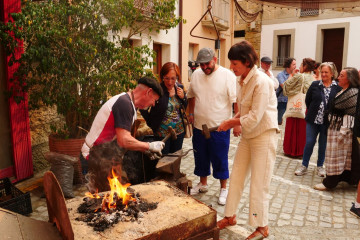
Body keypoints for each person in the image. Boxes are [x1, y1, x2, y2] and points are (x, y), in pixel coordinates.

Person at [216, 41, 278, 240]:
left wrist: (230, 122)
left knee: (259, 185)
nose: (232, 67)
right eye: (231, 63)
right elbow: (243, 109)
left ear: (247, 62)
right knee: (236, 178)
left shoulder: (262, 81)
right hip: (248, 136)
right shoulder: (241, 78)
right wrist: (236, 121)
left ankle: (262, 227)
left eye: (235, 63)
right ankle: (230, 216)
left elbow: (255, 117)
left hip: (264, 136)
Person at [80, 77, 165, 188]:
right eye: (155, 100)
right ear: (148, 92)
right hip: (94, 156)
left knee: (117, 196)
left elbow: (123, 138)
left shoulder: (129, 103)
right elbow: (124, 140)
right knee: (105, 199)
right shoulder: (124, 104)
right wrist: (149, 146)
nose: (154, 104)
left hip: (105, 155)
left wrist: (144, 149)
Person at [187, 47, 236, 205]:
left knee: (220, 158)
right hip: (199, 126)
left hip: (219, 127)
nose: (204, 67)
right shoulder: (196, 74)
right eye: (201, 64)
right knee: (200, 156)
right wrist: (190, 113)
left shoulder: (227, 75)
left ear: (215, 59)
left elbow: (236, 101)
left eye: (207, 64)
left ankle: (223, 188)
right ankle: (203, 183)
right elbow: (191, 96)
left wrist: (236, 123)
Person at [313, 67, 360, 190]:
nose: (338, 77)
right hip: (336, 128)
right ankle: (342, 178)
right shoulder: (343, 90)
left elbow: (350, 113)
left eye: (342, 76)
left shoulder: (353, 93)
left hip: (343, 131)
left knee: (337, 157)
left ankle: (330, 182)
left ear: (349, 79)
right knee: (338, 156)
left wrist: (343, 131)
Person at [294, 62, 341, 177]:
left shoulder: (337, 88)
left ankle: (320, 166)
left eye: (326, 72)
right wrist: (314, 110)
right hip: (313, 120)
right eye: (322, 72)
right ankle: (304, 165)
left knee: (323, 144)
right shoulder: (315, 85)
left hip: (327, 122)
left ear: (332, 74)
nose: (323, 74)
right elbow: (308, 101)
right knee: (309, 142)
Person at [140, 62, 187, 154]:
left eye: (173, 78)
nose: (170, 82)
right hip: (161, 133)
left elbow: (184, 107)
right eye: (167, 78)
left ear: (177, 77)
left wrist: (183, 98)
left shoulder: (179, 88)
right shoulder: (156, 90)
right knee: (163, 161)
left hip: (179, 132)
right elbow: (143, 107)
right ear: (162, 77)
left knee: (176, 160)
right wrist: (152, 124)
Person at [282, 58, 316, 157]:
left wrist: (291, 75)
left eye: (301, 65)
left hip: (296, 105)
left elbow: (286, 87)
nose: (299, 67)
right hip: (306, 108)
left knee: (293, 127)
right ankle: (301, 151)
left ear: (305, 66)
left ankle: (291, 150)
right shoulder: (313, 78)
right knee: (303, 130)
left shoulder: (299, 76)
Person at [276, 57, 297, 125]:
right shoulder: (280, 75)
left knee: (289, 123)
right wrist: (291, 75)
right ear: (288, 65)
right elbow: (285, 86)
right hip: (282, 101)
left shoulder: (296, 75)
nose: (295, 66)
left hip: (292, 102)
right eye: (293, 64)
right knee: (280, 122)